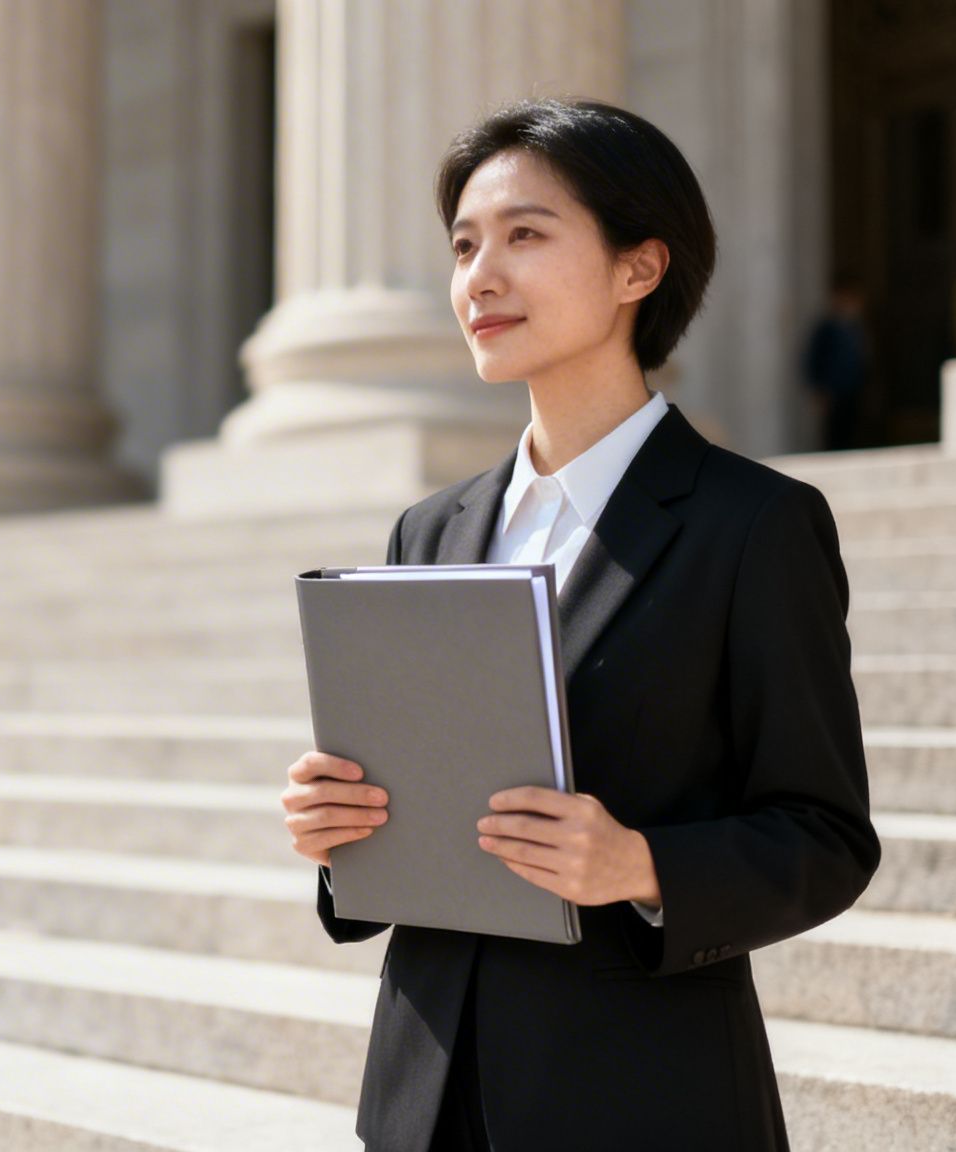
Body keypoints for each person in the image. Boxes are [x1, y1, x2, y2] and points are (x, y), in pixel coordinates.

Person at [278, 98, 881, 1151]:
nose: (478, 277)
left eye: (522, 234)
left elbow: (823, 839)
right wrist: (341, 833)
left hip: (635, 1094)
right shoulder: (431, 528)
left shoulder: (753, 526)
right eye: (464, 245)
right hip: (424, 1090)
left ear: (637, 269)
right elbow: (416, 819)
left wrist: (639, 865)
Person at [802, 279, 870, 450]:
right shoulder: (827, 328)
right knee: (835, 432)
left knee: (852, 429)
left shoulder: (855, 327)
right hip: (833, 392)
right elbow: (814, 359)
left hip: (852, 390)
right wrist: (818, 388)